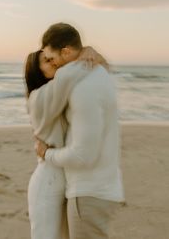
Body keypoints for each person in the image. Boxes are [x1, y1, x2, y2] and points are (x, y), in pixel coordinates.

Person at [35, 23, 125, 239]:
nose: (51, 64)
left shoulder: (84, 87)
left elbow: (83, 155)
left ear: (66, 51)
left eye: (51, 57)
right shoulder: (96, 73)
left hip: (89, 194)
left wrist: (47, 153)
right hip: (100, 189)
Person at [25, 46, 108, 239]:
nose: (53, 61)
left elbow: (100, 68)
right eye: (46, 61)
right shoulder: (40, 97)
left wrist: (91, 53)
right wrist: (85, 53)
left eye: (51, 57)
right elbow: (82, 69)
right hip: (48, 180)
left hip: (69, 177)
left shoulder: (63, 93)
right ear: (38, 73)